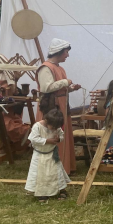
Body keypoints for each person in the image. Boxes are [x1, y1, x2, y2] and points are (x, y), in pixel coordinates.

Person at [35, 38, 81, 175]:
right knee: (52, 134)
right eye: (66, 52)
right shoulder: (45, 68)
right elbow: (47, 87)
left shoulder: (59, 68)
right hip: (51, 108)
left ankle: (64, 167)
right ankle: (52, 170)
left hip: (61, 105)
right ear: (59, 52)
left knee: (62, 134)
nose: (67, 55)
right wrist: (65, 81)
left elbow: (59, 89)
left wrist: (71, 88)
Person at [25, 109, 70, 203]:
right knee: (41, 175)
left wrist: (58, 139)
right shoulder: (37, 126)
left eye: (56, 127)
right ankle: (42, 193)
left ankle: (61, 190)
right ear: (47, 120)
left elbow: (62, 135)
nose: (54, 129)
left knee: (56, 173)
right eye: (53, 127)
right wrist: (47, 141)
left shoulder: (56, 127)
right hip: (40, 156)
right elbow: (33, 139)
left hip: (52, 155)